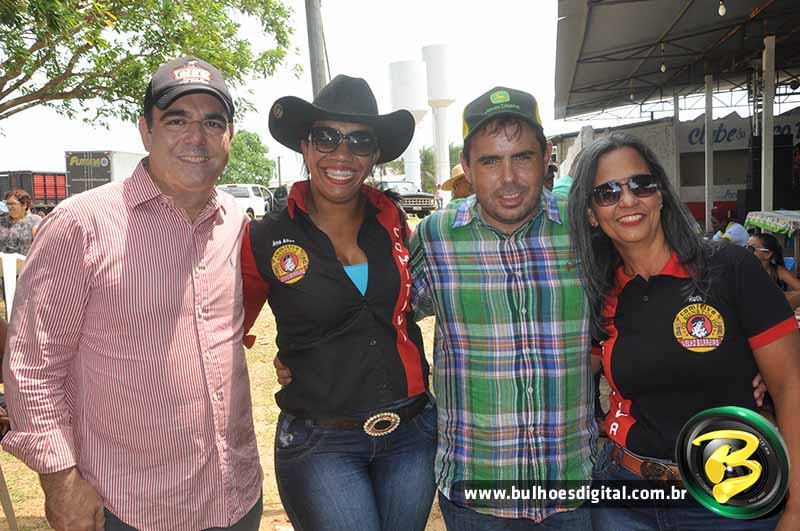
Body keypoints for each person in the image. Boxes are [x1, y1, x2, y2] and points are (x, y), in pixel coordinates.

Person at [2, 56, 262, 531]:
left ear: (230, 135)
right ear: (145, 130)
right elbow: (33, 366)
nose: (196, 137)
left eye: (212, 122)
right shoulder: (80, 224)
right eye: (176, 120)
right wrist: (60, 482)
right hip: (129, 506)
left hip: (235, 497)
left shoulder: (235, 223)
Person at [567, 132, 800, 530]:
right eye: (607, 192)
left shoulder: (729, 267)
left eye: (641, 184)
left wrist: (796, 510)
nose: (627, 200)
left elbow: (791, 385)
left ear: (660, 193)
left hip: (731, 497)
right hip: (626, 498)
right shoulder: (597, 290)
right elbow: (564, 370)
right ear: (591, 214)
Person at [242, 74, 436, 531]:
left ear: (375, 154)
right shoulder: (264, 238)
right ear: (306, 146)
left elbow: (405, 310)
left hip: (412, 434)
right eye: (326, 137)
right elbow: (220, 331)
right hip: (322, 443)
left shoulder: (392, 221)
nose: (342, 154)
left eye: (360, 141)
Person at [410, 87, 594, 529]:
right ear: (467, 167)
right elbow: (387, 320)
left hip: (574, 488)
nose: (508, 178)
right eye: (490, 161)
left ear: (546, 157)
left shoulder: (585, 227)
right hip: (477, 495)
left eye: (522, 157)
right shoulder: (434, 238)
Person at [748, 232, 800, 309]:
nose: (745, 251)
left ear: (768, 254)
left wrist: (779, 297)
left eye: (751, 248)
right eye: (745, 247)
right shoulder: (742, 269)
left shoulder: (778, 271)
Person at [0, 189, 42, 254]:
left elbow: (40, 246)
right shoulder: (2, 221)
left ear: (24, 205)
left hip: (25, 260)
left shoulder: (35, 221)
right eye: (8, 204)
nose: (9, 207)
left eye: (13, 204)